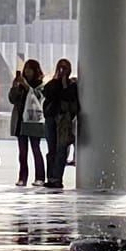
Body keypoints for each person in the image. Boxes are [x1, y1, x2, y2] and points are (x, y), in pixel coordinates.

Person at [9, 59, 47, 186]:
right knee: (22, 152)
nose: (27, 72)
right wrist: (15, 87)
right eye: (26, 69)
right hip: (21, 120)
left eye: (30, 69)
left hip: (33, 121)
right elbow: (12, 99)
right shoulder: (20, 85)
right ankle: (22, 177)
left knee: (36, 149)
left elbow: (39, 97)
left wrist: (27, 87)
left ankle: (40, 177)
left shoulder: (40, 85)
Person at [42, 58, 79, 189]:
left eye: (65, 68)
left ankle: (57, 178)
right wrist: (58, 81)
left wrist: (64, 85)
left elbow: (69, 97)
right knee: (52, 148)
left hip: (64, 119)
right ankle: (50, 177)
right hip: (51, 117)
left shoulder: (72, 86)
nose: (63, 71)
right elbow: (47, 93)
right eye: (61, 68)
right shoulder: (52, 83)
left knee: (61, 149)